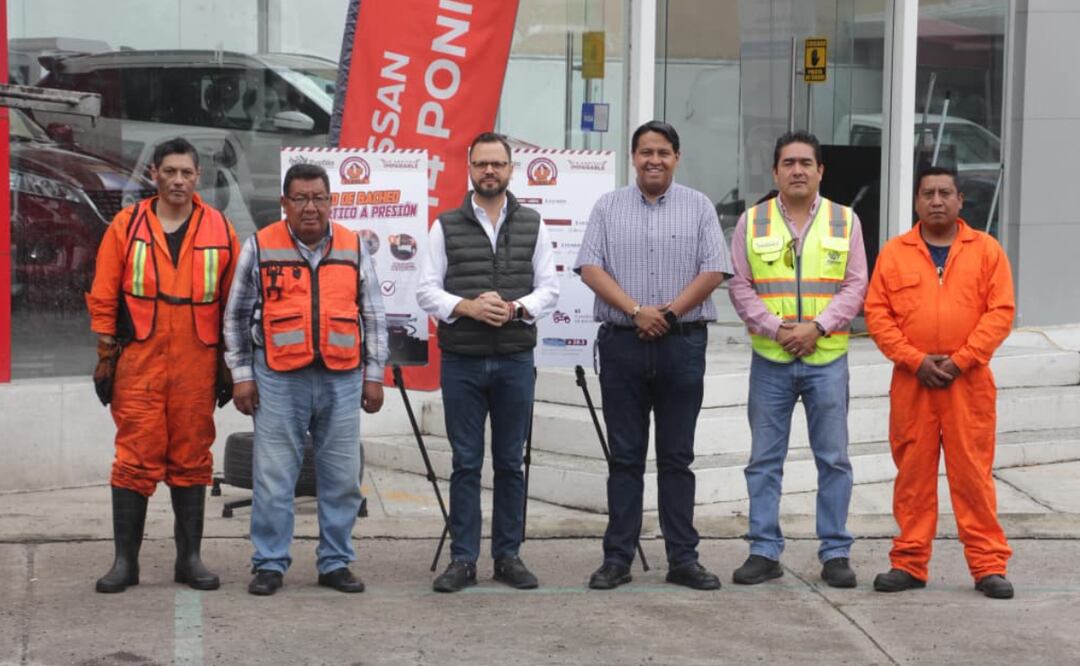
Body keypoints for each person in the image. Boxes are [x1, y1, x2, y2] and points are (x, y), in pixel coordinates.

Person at [574, 120, 730, 591]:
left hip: (682, 343)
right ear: (633, 156)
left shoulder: (699, 206)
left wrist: (667, 312)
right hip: (623, 343)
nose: (654, 160)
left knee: (677, 457)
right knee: (625, 458)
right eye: (645, 152)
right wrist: (638, 311)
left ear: (676, 157)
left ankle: (683, 558)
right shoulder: (608, 206)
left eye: (663, 152)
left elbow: (715, 268)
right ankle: (617, 559)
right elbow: (589, 266)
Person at [224, 163, 389, 596]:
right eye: (300, 199)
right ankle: (270, 564)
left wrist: (374, 375)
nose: (310, 207)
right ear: (285, 203)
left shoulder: (353, 247)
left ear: (331, 201)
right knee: (273, 476)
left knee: (342, 477)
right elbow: (236, 316)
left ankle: (335, 562)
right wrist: (242, 376)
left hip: (343, 377)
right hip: (278, 378)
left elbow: (372, 314)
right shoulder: (259, 246)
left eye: (319, 198)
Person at [87, 137, 240, 593]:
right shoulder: (126, 226)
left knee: (192, 457)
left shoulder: (220, 228)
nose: (177, 180)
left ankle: (189, 560)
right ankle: (124, 563)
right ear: (153, 174)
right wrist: (105, 357)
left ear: (198, 177)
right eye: (169, 171)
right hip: (140, 361)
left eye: (186, 173)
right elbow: (103, 293)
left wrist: (230, 364)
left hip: (197, 359)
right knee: (134, 456)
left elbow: (234, 303)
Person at [864, 166, 1016, 599]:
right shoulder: (895, 253)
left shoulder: (986, 251)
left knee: (973, 478)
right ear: (915, 202)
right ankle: (909, 563)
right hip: (914, 384)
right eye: (927, 193)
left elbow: (1000, 312)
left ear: (960, 200)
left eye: (945, 193)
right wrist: (914, 360)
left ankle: (988, 566)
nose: (936, 200)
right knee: (912, 479)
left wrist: (962, 360)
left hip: (967, 385)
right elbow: (878, 314)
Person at [416, 132, 559, 593]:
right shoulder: (445, 225)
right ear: (470, 168)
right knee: (465, 462)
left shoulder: (534, 224)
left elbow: (550, 289)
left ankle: (508, 556)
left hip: (515, 358)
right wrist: (468, 307)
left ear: (511, 169)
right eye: (482, 164)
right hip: (463, 361)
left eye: (498, 164)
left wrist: (515, 308)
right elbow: (426, 289)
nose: (490, 171)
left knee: (511, 462)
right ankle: (463, 560)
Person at [727, 130, 868, 588]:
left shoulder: (845, 221)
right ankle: (763, 551)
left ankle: (835, 553)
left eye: (806, 162)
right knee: (764, 461)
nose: (797, 170)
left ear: (821, 170)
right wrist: (778, 329)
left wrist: (818, 327)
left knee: (834, 460)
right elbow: (740, 286)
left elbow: (855, 284)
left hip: (826, 358)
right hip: (771, 359)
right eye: (788, 163)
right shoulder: (753, 222)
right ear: (775, 171)